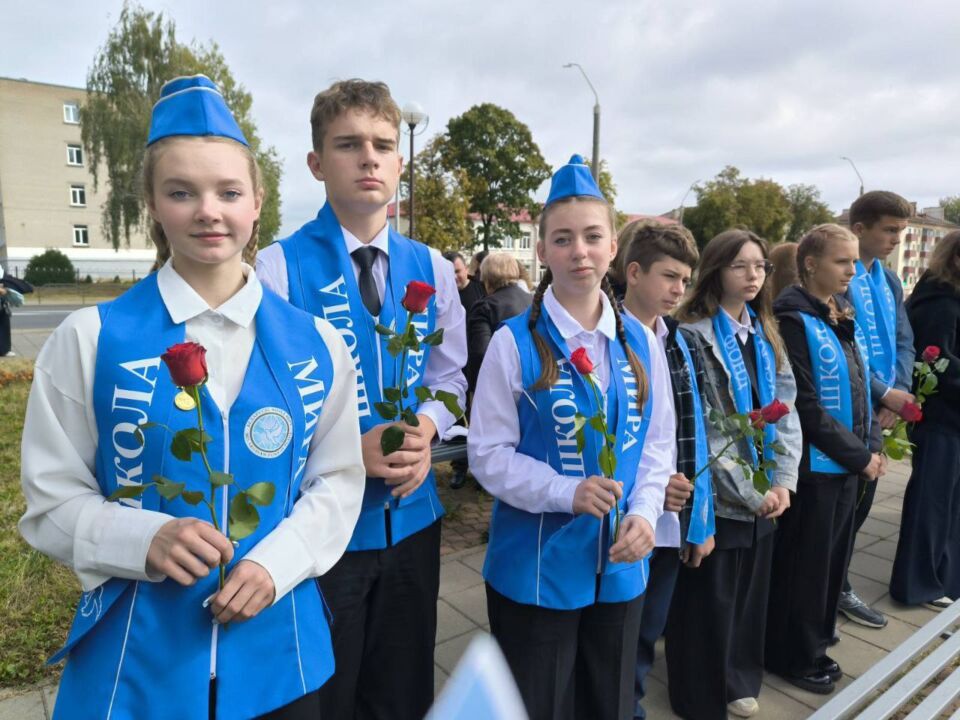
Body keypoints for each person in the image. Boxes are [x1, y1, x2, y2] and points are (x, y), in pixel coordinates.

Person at [18, 75, 366, 719]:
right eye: (181, 192)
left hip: (280, 656)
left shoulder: (319, 344)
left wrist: (278, 564)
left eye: (229, 192)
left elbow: (339, 480)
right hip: (136, 664)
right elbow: (50, 499)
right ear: (152, 203)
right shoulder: (90, 338)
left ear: (257, 202)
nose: (209, 211)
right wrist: (141, 537)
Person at [256, 79, 467, 720]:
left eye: (382, 144)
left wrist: (427, 428)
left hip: (414, 520)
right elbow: (262, 409)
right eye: (348, 144)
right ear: (317, 163)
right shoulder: (277, 269)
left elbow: (451, 378)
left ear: (400, 163)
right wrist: (347, 447)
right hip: (324, 531)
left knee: (402, 690)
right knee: (327, 694)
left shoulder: (433, 267)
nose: (368, 158)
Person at [468, 155, 674, 720]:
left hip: (621, 562)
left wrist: (646, 514)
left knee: (610, 704)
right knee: (538, 705)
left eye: (592, 236)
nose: (579, 251)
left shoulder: (643, 340)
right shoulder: (513, 343)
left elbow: (657, 443)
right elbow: (487, 454)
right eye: (562, 239)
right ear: (542, 250)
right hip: (535, 569)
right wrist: (567, 491)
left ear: (614, 247)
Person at [669, 229, 801, 720]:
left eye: (761, 266)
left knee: (749, 599)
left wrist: (782, 480)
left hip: (766, 489)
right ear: (716, 269)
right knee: (709, 600)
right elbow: (702, 427)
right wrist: (750, 492)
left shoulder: (765, 333)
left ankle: (739, 678)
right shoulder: (692, 336)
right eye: (740, 265)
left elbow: (786, 409)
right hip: (722, 497)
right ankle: (698, 691)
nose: (753, 275)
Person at [767, 224, 884, 694]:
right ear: (811, 263)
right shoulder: (792, 320)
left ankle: (815, 640)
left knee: (833, 563)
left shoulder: (837, 311)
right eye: (842, 261)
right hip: (815, 469)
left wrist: (872, 444)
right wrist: (859, 456)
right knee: (806, 568)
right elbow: (806, 404)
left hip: (848, 465)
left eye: (854, 261)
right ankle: (793, 654)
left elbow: (861, 384)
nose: (852, 270)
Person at [616, 220, 716, 720]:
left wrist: (699, 517)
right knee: (617, 637)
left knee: (647, 631)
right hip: (621, 515)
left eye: (685, 280)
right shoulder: (609, 336)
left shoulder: (679, 340)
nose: (679, 290)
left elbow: (693, 429)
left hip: (670, 516)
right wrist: (650, 489)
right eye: (669, 276)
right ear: (634, 272)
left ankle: (630, 706)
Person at [841, 191, 915, 629]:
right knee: (840, 510)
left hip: (882, 407)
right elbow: (840, 349)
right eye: (889, 230)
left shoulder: (888, 280)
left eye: (900, 232)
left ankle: (838, 584)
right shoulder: (841, 274)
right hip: (847, 406)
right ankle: (832, 586)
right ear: (859, 229)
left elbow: (904, 339)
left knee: (863, 503)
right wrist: (883, 393)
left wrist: (897, 391)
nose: (896, 240)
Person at [890, 229, 960, 610]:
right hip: (940, 420)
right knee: (930, 506)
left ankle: (944, 580)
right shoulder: (941, 303)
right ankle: (917, 584)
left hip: (952, 420)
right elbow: (934, 361)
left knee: (949, 507)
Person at [464, 252, 532, 390]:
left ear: (486, 278)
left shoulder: (484, 307)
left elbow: (480, 353)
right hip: (533, 380)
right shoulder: (533, 301)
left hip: (500, 386)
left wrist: (474, 388)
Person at [444, 250, 486, 315]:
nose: (454, 277)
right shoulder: (440, 294)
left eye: (457, 271)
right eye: (449, 272)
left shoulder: (483, 288)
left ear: (466, 269)